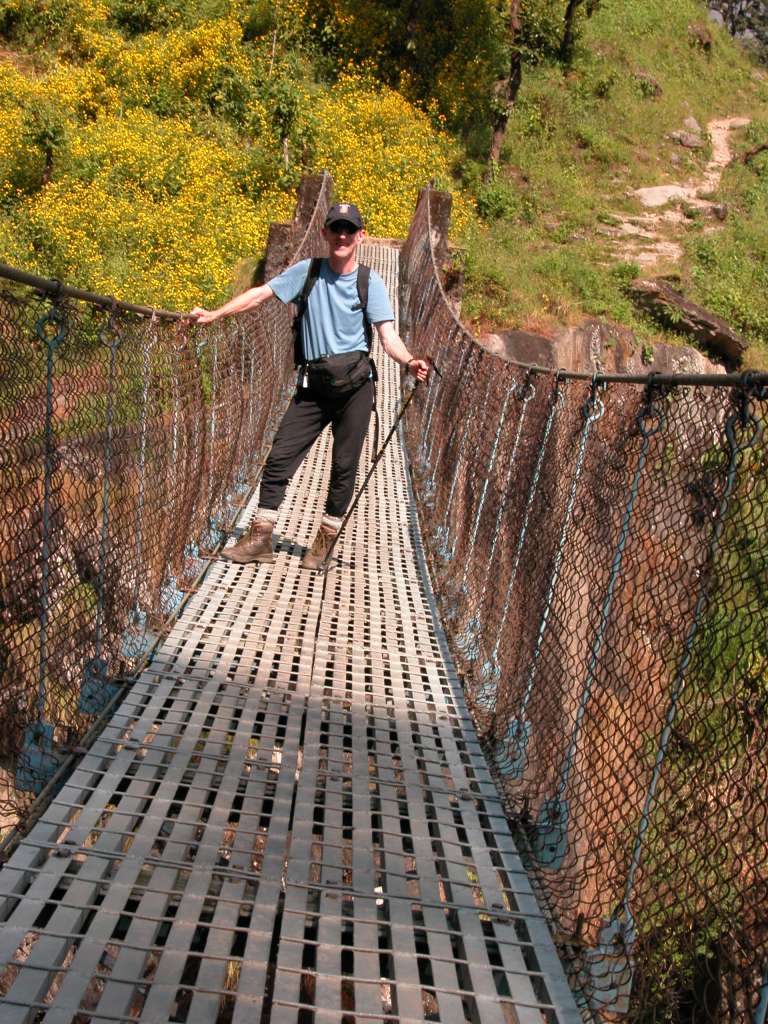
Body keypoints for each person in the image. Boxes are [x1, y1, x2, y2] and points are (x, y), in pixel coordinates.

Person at [190, 201, 429, 570]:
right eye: (336, 228)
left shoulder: (369, 282)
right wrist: (216, 314)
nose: (342, 236)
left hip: (355, 390)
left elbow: (387, 337)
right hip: (312, 387)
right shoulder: (308, 272)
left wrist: (410, 361)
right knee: (279, 457)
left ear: (361, 236)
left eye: (350, 230)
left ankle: (323, 545)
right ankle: (260, 538)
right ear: (325, 233)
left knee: (344, 466)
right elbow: (261, 294)